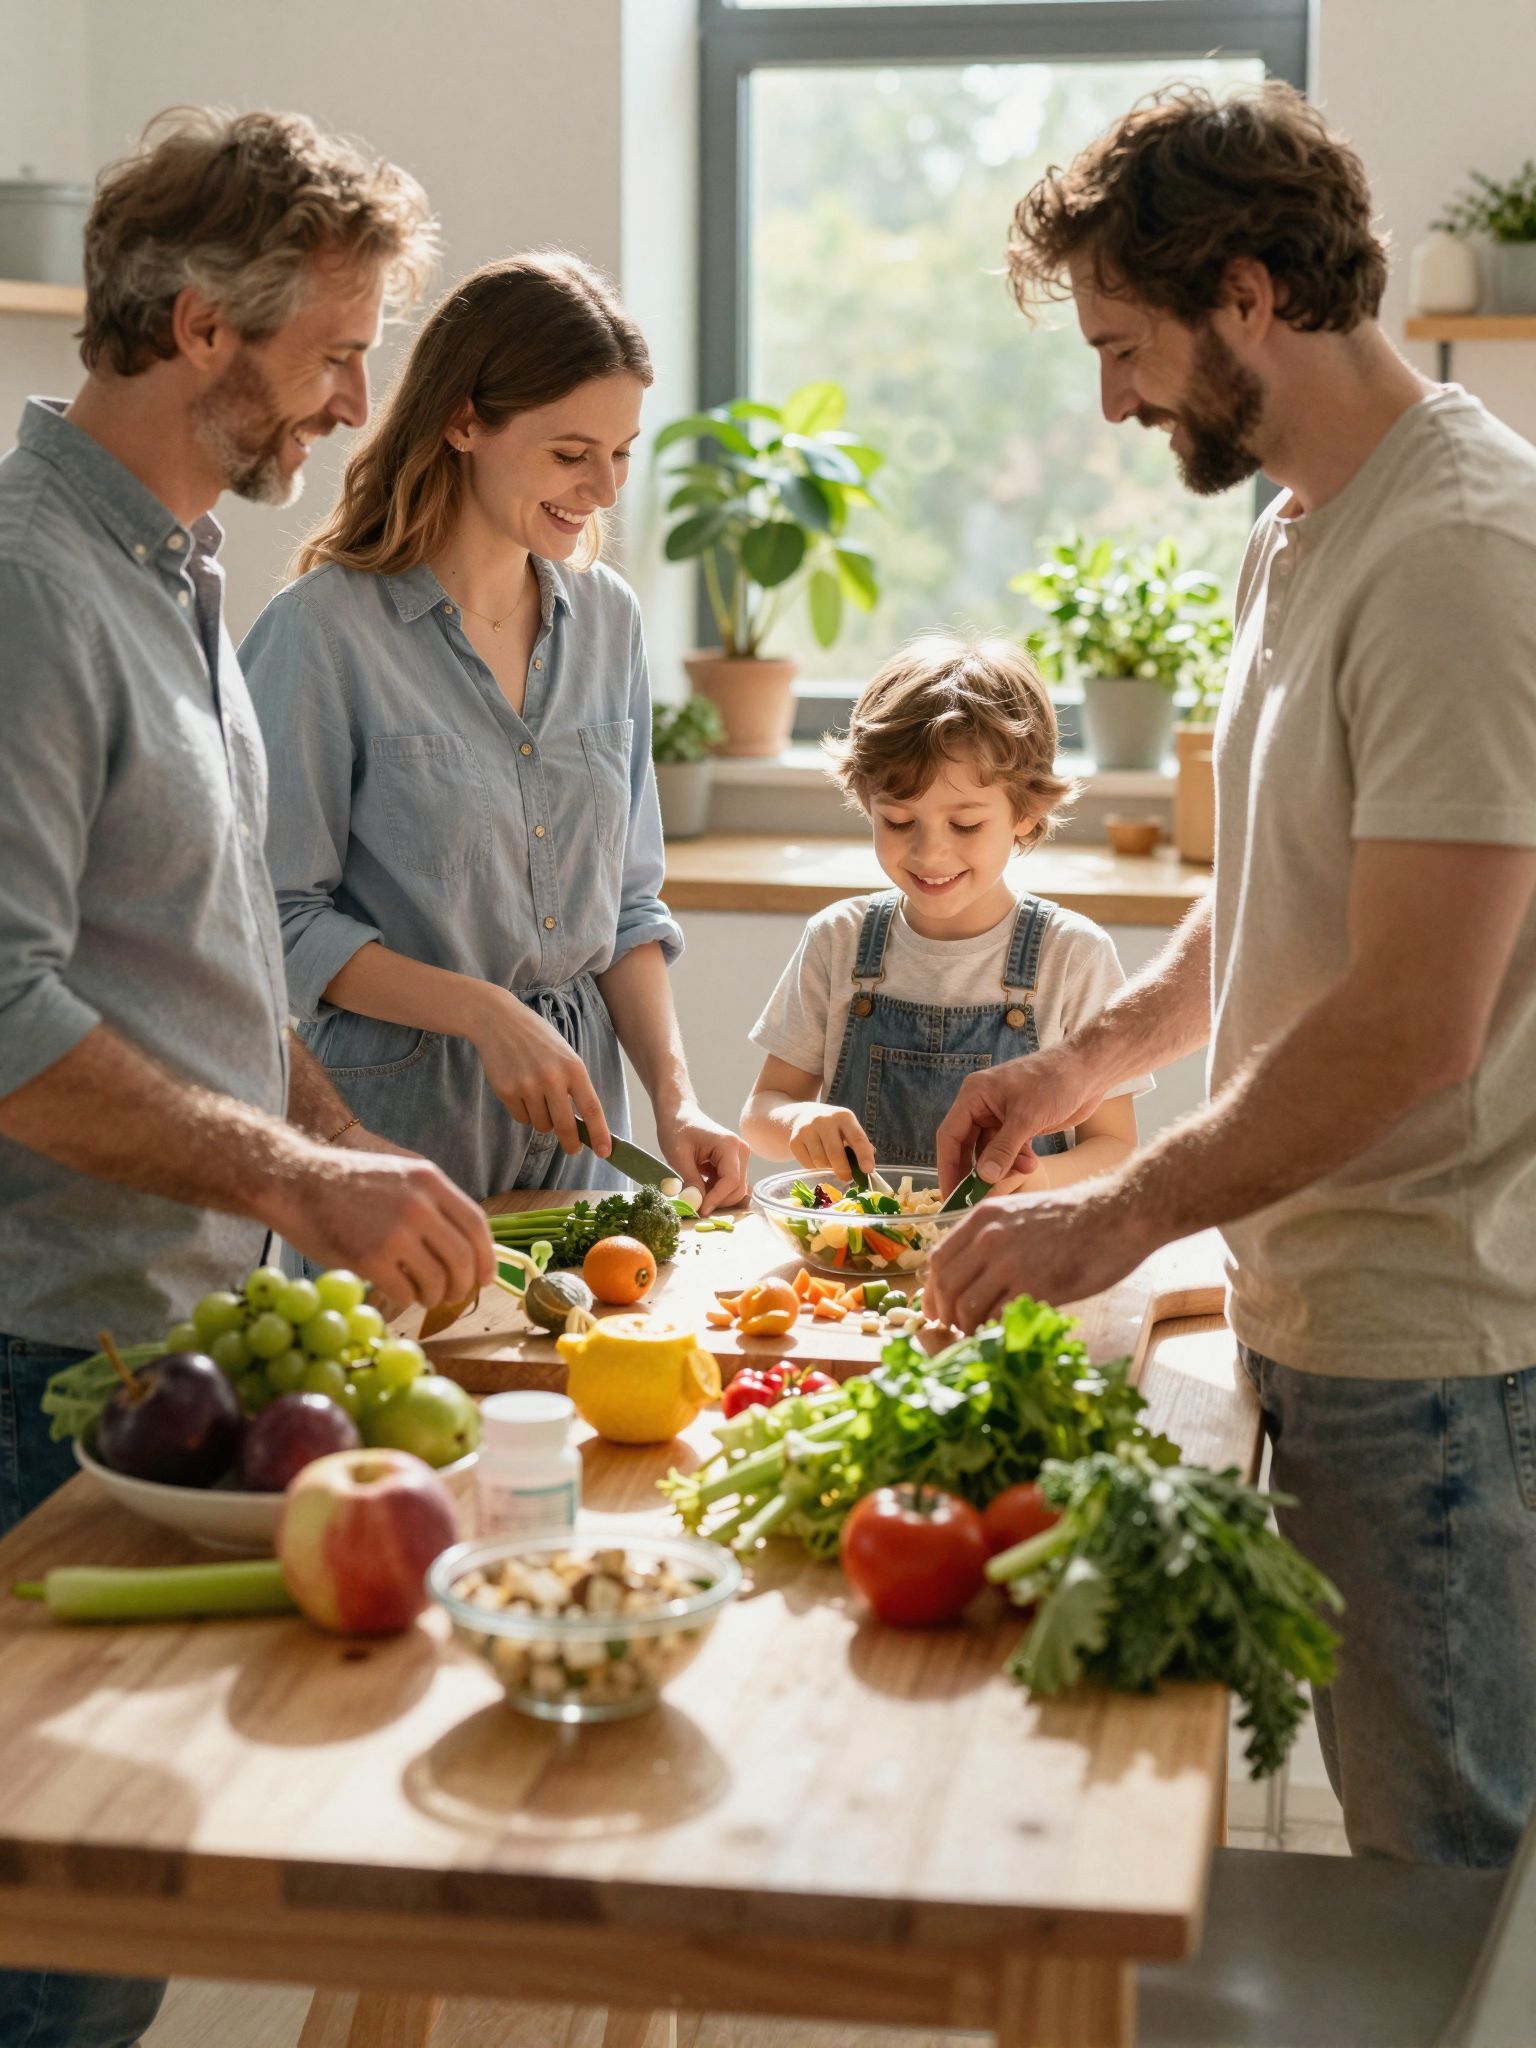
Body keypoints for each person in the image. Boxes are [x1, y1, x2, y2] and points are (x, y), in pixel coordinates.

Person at [928, 83, 1536, 1868]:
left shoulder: (1454, 554)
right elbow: (1282, 896)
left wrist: (1112, 1217)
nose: (1112, 398)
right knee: (1404, 1846)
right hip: (1331, 1306)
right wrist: (1075, 1064)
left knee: (1454, 1883)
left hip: (1440, 1340)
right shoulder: (1302, 520)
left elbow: (1415, 1020)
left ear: (1249, 296)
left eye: (1126, 345)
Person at [0, 106, 496, 2048]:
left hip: (166, 1351)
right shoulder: (33, 590)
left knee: (123, 1932)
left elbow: (189, 958)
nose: (363, 397)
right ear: (205, 329)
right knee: (56, 1962)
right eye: (342, 348)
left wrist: (340, 1140)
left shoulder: (180, 575)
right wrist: (298, 1182)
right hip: (45, 1365)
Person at [239, 255, 748, 1216]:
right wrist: (485, 1013)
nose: (602, 488)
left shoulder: (610, 622)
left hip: (588, 1142)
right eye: (569, 454)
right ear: (463, 420)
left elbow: (629, 909)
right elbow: (274, 918)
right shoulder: (323, 632)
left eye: (622, 452)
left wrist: (677, 1102)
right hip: (391, 1148)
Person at [742, 633, 1146, 1181]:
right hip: (859, 1250)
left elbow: (1116, 1146)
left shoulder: (1074, 955)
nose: (929, 851)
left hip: (1010, 1250)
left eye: (966, 824)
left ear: (1026, 812)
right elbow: (762, 1110)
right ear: (867, 804)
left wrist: (1040, 1180)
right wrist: (795, 1119)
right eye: (899, 821)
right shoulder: (838, 938)